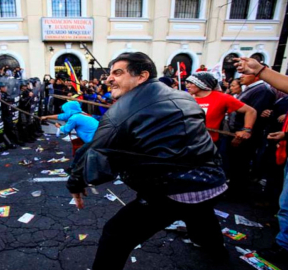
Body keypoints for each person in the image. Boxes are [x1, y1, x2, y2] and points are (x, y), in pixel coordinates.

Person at [67, 52, 228, 269]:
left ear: (142, 76)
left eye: (118, 73)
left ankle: (214, 250)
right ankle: (218, 254)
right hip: (214, 182)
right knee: (201, 214)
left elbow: (95, 151)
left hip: (173, 192)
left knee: (115, 235)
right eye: (110, 73)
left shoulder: (120, 112)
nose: (109, 79)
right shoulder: (184, 96)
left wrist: (75, 181)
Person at [235, 57, 288, 264]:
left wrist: (260, 70)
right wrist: (286, 134)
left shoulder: (262, 91)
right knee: (287, 204)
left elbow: (250, 110)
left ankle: (285, 247)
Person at [185, 72, 257, 144]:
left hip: (209, 143)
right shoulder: (185, 98)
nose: (187, 86)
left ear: (202, 84)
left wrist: (246, 130)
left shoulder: (222, 98)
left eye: (191, 83)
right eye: (187, 83)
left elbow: (251, 111)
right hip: (185, 141)